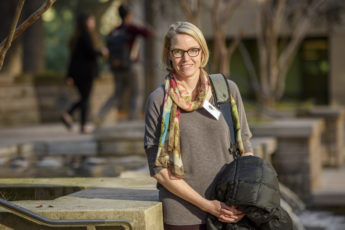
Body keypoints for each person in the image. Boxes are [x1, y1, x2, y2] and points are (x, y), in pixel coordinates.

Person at [144, 21, 254, 229]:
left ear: (202, 52)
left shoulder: (227, 90)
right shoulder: (158, 100)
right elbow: (159, 169)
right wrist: (207, 206)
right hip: (184, 216)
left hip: (231, 209)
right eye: (178, 51)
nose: (186, 58)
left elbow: (245, 146)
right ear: (168, 54)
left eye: (193, 50)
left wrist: (243, 198)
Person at [95, 4, 151, 124]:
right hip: (132, 66)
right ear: (129, 15)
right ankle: (133, 119)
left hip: (117, 67)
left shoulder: (113, 31)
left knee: (117, 94)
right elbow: (147, 33)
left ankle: (100, 115)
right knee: (137, 92)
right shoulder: (131, 28)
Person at [61, 13, 108, 133]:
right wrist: (102, 53)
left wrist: (69, 75)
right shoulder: (86, 36)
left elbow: (72, 58)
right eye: (91, 20)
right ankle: (69, 114)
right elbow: (91, 53)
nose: (93, 23)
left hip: (77, 73)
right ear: (86, 22)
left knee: (84, 99)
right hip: (86, 73)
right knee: (85, 99)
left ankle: (82, 125)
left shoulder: (76, 37)